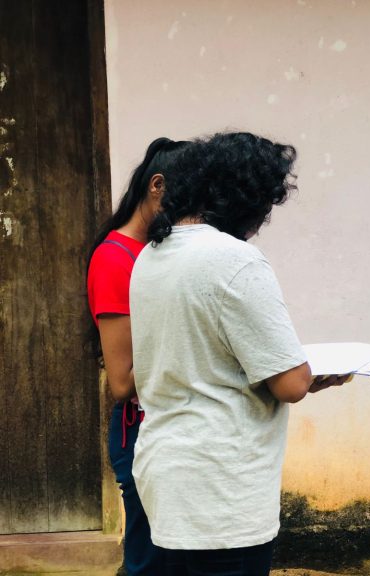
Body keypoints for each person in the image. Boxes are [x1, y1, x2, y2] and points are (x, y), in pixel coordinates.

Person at [128, 132, 347, 576]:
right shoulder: (237, 260)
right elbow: (290, 383)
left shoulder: (151, 255)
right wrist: (311, 375)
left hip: (166, 476)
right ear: (248, 200)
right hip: (222, 490)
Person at [87, 137, 189, 575]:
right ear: (156, 185)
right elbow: (122, 381)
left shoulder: (157, 252)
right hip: (142, 431)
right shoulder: (115, 259)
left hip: (172, 427)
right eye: (187, 202)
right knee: (149, 564)